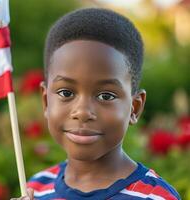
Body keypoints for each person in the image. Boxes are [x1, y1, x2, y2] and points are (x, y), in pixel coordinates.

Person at [12, 8, 181, 200]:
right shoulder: (36, 188)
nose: (83, 112)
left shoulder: (154, 197)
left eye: (106, 96)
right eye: (66, 92)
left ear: (134, 108)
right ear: (45, 101)